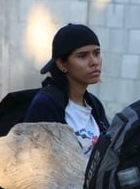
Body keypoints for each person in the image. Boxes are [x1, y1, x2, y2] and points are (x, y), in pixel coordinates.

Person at [24, 23, 109, 156]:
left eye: (96, 53)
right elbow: (40, 164)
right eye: (82, 56)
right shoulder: (46, 104)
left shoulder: (95, 105)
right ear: (62, 64)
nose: (94, 62)